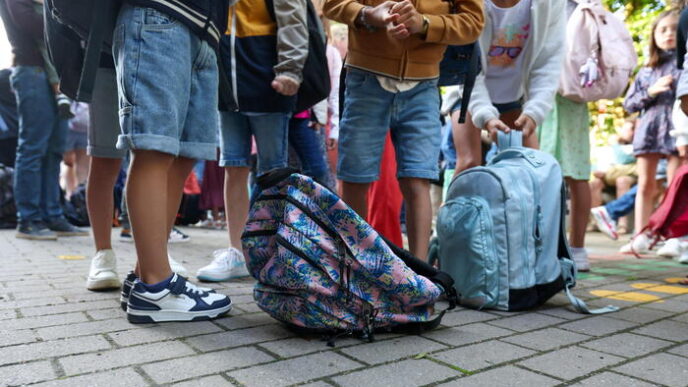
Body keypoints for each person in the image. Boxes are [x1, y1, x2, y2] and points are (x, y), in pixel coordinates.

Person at [323, 0, 484, 260]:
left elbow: (473, 23)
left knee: (417, 179)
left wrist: (425, 24)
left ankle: (421, 281)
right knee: (355, 177)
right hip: (365, 78)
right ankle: (353, 274)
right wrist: (367, 15)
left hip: (424, 85)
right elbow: (332, 4)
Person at [112, 0, 232, 322]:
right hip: (160, 13)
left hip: (206, 31)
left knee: (185, 153)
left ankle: (144, 274)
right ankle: (156, 287)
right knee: (154, 147)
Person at [196, 0, 309, 282]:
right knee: (233, 165)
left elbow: (293, 18)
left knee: (273, 171)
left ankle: (274, 250)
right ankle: (237, 250)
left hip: (266, 78)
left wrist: (291, 69)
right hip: (226, 83)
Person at [0, 0, 86, 240]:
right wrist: (64, 24)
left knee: (55, 149)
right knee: (32, 147)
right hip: (31, 72)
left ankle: (53, 215)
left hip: (55, 76)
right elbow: (30, 23)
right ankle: (28, 219)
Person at [453, 0, 566, 176]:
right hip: (467, 91)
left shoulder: (551, 4)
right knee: (469, 163)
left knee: (533, 168)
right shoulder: (471, 4)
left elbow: (548, 61)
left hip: (512, 94)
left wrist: (534, 111)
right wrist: (485, 114)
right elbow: (466, 66)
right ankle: (457, 204)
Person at [621, 10, 682, 255]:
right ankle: (640, 235)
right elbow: (629, 103)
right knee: (645, 185)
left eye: (673, 29)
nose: (668, 34)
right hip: (649, 131)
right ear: (654, 36)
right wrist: (652, 91)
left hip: (677, 132)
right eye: (662, 29)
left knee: (675, 187)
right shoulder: (646, 70)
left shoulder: (683, 65)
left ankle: (673, 237)